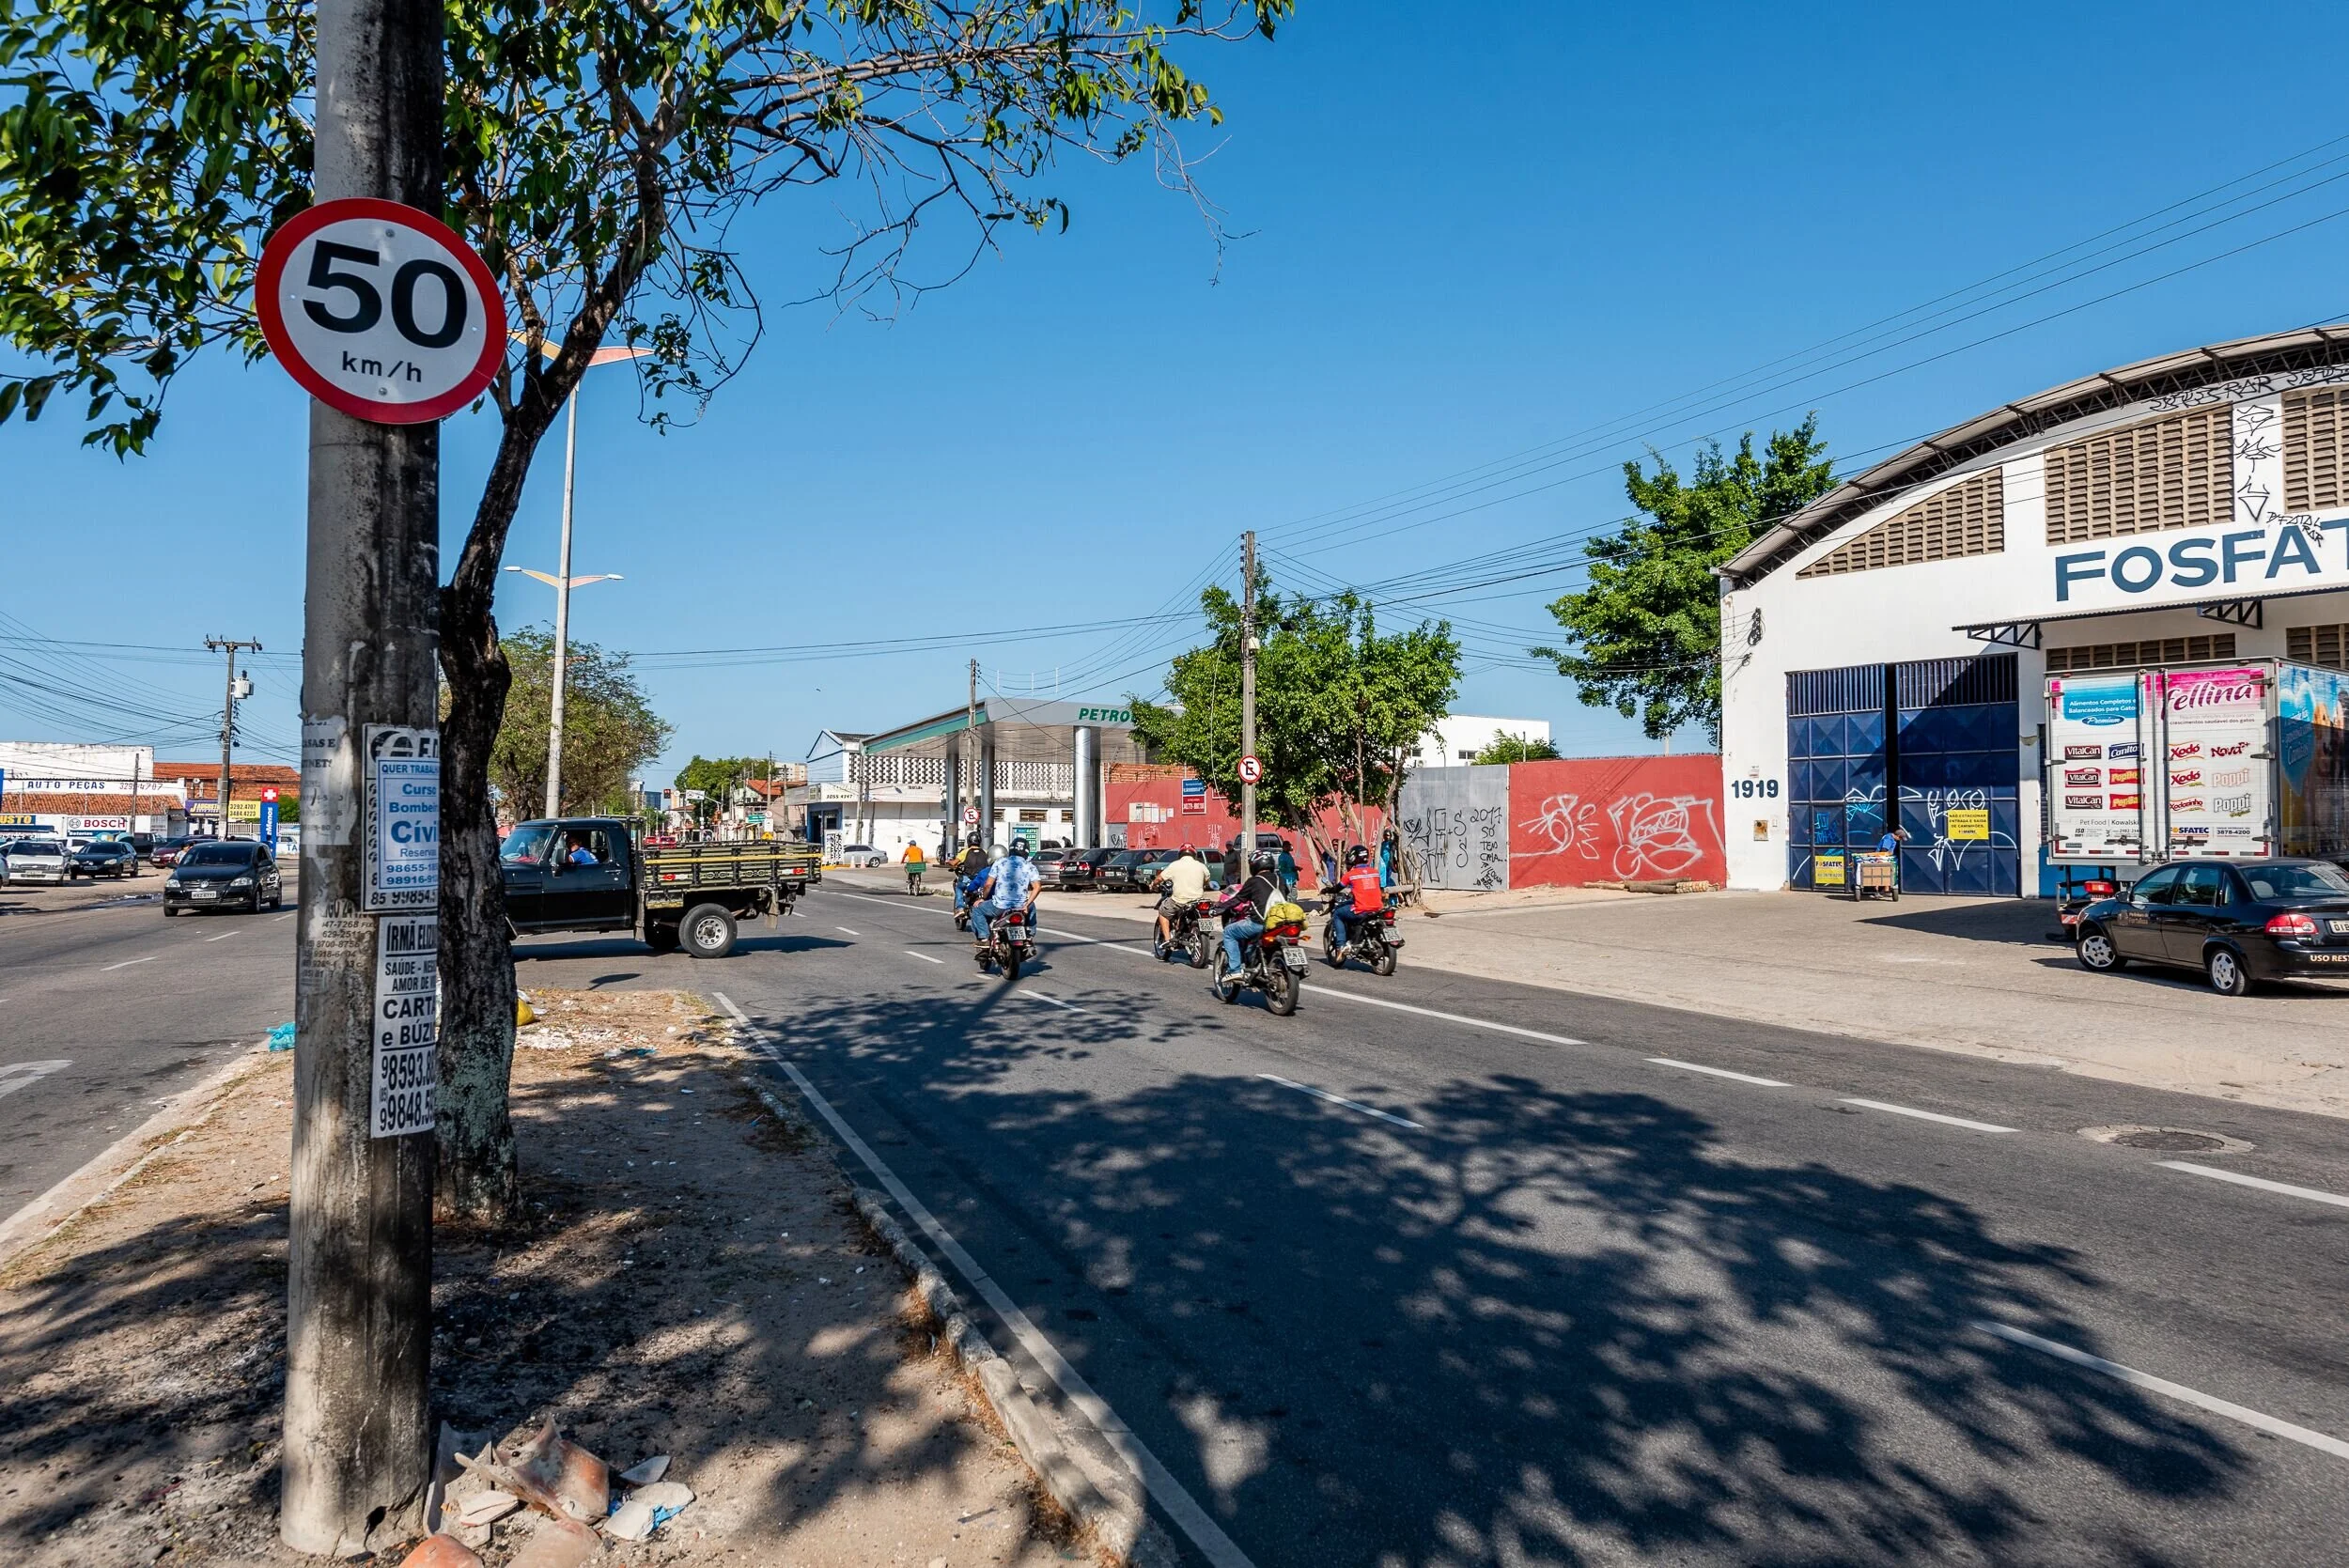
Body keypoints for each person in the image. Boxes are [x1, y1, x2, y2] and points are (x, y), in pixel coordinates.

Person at [1216, 849, 1282, 978]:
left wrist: (1221, 907)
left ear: (1255, 865)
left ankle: (1234, 971)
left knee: (1229, 932)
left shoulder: (1254, 881)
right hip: (1279, 924)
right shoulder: (1281, 880)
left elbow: (1238, 899)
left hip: (1259, 923)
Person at [970, 840, 1041, 949]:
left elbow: (988, 885)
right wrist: (1026, 904)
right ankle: (1029, 936)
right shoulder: (1030, 866)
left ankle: (984, 938)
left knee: (977, 909)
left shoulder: (1000, 862)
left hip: (999, 906)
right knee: (1032, 907)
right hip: (1020, 907)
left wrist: (982, 898)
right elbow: (1037, 887)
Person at [1152, 844, 1212, 953]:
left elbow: (1160, 878)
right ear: (1194, 854)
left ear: (1180, 854)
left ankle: (1167, 939)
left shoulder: (1175, 865)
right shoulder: (1201, 866)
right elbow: (1207, 879)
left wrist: (1153, 884)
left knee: (1163, 912)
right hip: (1197, 901)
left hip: (1179, 900)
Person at [1328, 843, 1385, 951]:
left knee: (1337, 913)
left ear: (1354, 858)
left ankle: (1340, 946)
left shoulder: (1351, 874)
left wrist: (1327, 890)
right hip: (1378, 908)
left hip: (1361, 909)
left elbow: (1337, 888)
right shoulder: (1375, 872)